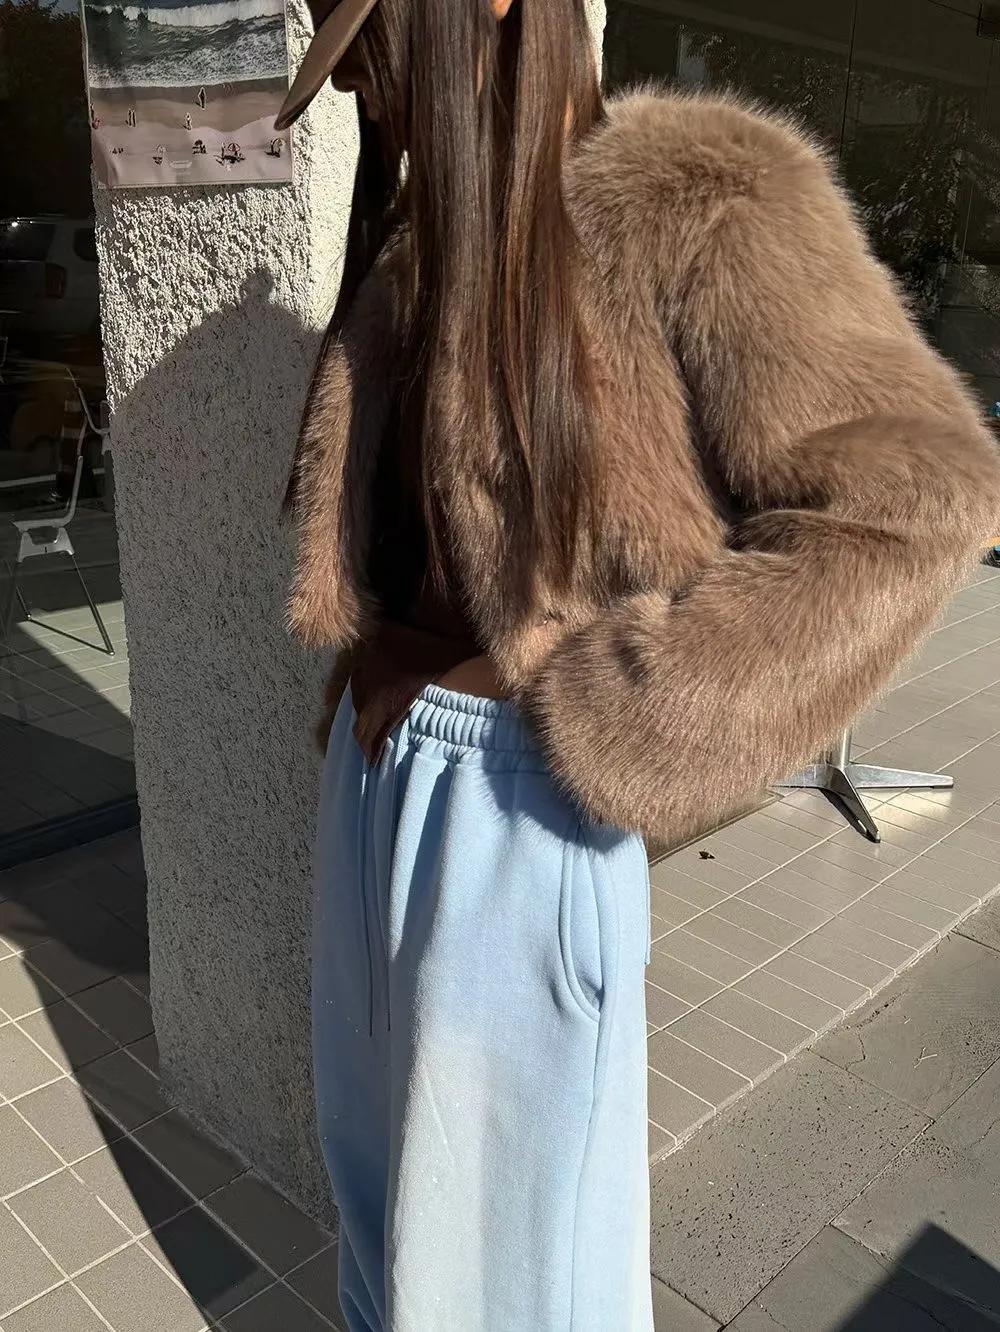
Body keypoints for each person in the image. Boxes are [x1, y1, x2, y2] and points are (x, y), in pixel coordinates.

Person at [275, 2, 1000, 1328]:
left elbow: (914, 499)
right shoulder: (428, 247)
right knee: (384, 1230)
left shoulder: (701, 201)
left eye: (374, 55)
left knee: (506, 1274)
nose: (366, 98)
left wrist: (635, 713)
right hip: (376, 781)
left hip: (514, 806)